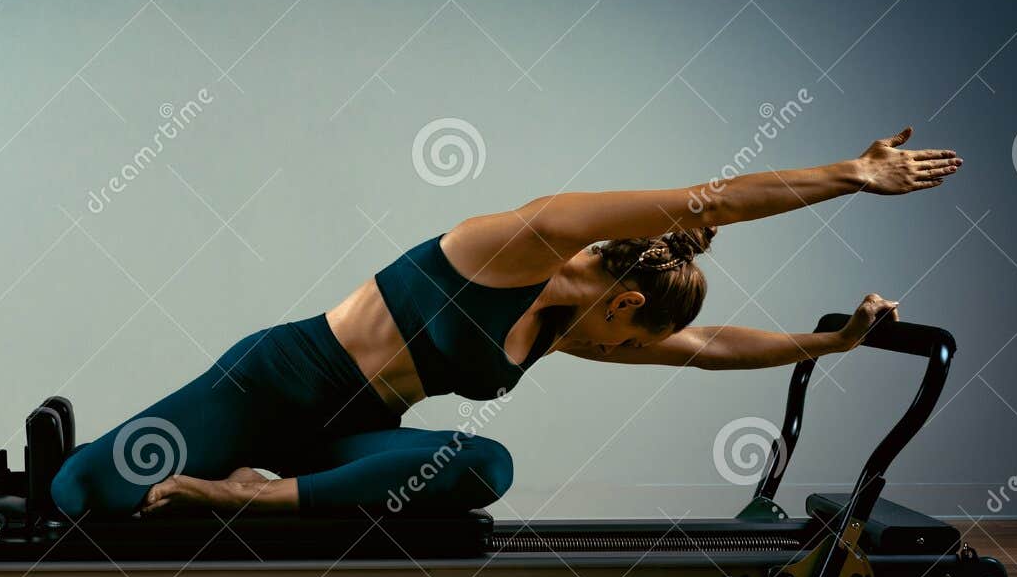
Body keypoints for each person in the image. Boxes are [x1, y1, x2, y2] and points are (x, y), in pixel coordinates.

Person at [49, 129, 961, 519]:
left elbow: (707, 348)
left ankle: (247, 498)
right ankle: (195, 476)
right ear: (628, 300)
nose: (632, 349)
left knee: (482, 465)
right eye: (637, 333)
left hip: (348, 436)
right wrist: (850, 175)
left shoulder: (573, 322)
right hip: (272, 385)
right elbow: (706, 197)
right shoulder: (521, 242)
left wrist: (830, 344)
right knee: (80, 496)